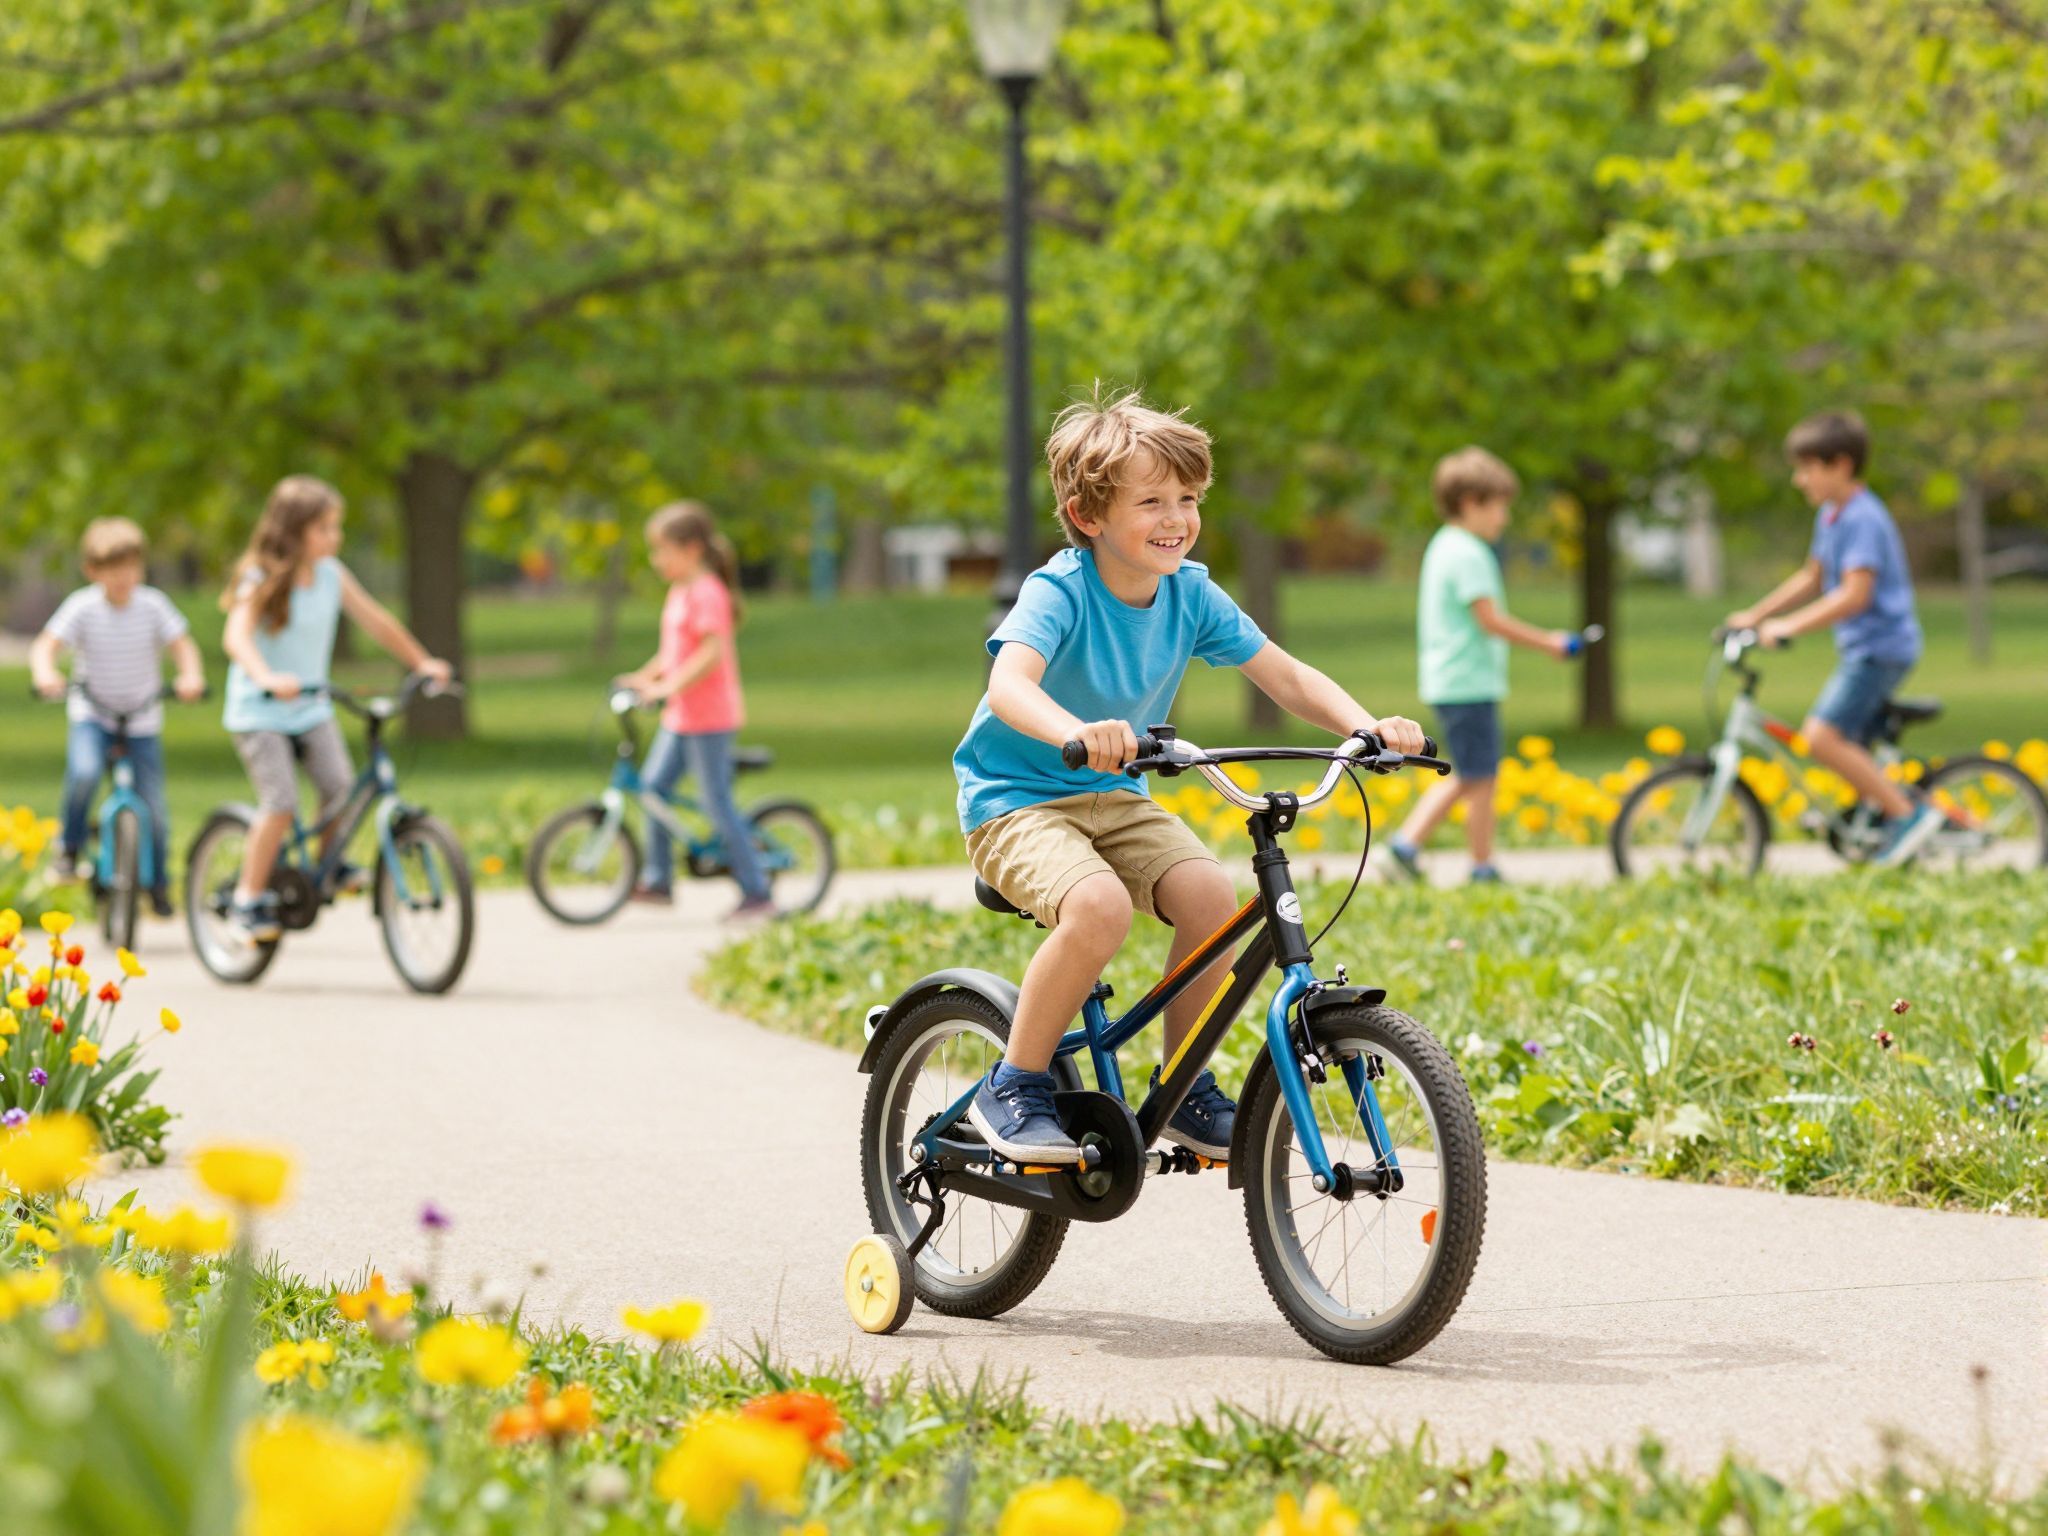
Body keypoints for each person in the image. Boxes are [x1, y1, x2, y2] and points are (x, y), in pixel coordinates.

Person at [954, 389, 1425, 1165]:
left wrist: (1364, 727)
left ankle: (1182, 1085)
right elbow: (1010, 686)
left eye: (1188, 498)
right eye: (1151, 501)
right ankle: (1013, 1082)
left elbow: (1286, 676)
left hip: (1116, 796)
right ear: (1087, 516)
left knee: (1211, 896)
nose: (1176, 517)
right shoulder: (1060, 590)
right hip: (1017, 803)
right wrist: (1075, 731)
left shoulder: (1190, 592)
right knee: (1099, 907)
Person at [219, 475, 452, 942]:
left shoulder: (331, 575)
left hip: (311, 707)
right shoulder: (260, 575)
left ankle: (331, 864)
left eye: (336, 528)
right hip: (260, 711)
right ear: (294, 529)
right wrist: (265, 676)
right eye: (325, 528)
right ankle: (247, 898)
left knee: (341, 787)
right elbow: (236, 635)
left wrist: (420, 660)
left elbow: (378, 622)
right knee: (281, 802)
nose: (335, 537)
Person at [1726, 409, 1941, 865]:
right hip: (1865, 649)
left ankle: (1906, 816)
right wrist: (1756, 615)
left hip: (1881, 650)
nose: (1798, 480)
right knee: (1848, 748)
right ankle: (1873, 811)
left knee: (1820, 737)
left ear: (1840, 465)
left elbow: (1854, 595)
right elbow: (1812, 577)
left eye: (1808, 468)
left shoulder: (1863, 518)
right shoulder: (1832, 516)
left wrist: (1789, 627)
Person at [1386, 447, 1573, 884]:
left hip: (1453, 680)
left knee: (1475, 773)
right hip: (1467, 682)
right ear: (1471, 502)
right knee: (1478, 775)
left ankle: (1431, 851)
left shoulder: (1444, 545)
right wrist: (1549, 642)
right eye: (1499, 507)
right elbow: (1489, 620)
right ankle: (1452, 858)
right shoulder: (1469, 553)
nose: (1503, 519)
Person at [30, 517, 206, 913]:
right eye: (113, 568)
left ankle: (158, 881)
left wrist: (190, 675)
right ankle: (70, 848)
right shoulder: (82, 607)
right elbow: (46, 646)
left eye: (131, 567)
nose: (124, 577)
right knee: (85, 772)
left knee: (154, 808)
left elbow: (182, 645)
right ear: (93, 571)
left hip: (141, 719)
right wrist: (46, 673)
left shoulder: (153, 605)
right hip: (94, 715)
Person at [616, 501, 775, 921]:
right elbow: (673, 652)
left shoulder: (708, 592)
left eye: (662, 551)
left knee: (715, 803)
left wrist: (666, 687)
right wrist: (644, 677)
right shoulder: (680, 591)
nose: (656, 560)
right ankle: (658, 881)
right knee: (651, 791)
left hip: (709, 718)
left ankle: (758, 891)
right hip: (681, 717)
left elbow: (709, 654)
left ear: (692, 549)